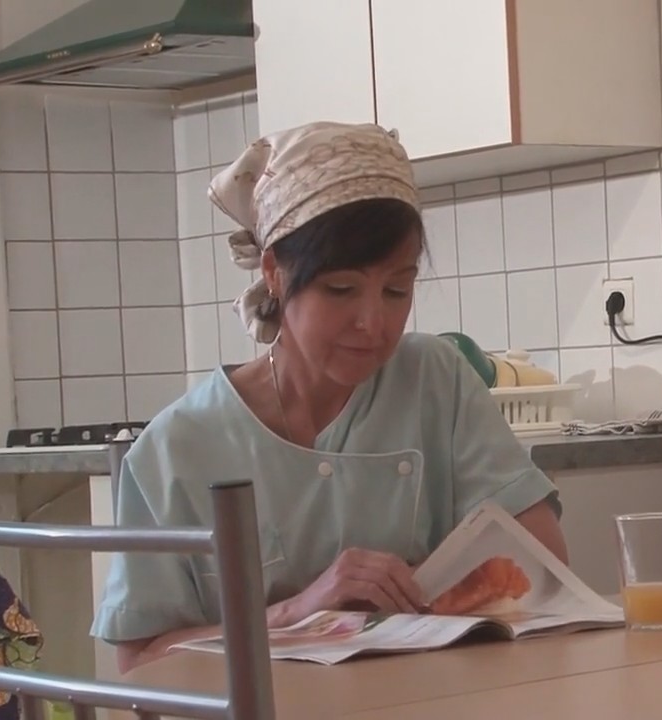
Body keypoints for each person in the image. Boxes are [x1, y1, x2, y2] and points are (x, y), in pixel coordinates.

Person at [88, 121, 568, 673]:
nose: (373, 322)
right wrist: (300, 610)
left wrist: (424, 590)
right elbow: (140, 659)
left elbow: (541, 560)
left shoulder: (434, 379)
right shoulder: (177, 447)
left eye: (397, 289)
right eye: (341, 289)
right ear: (274, 272)